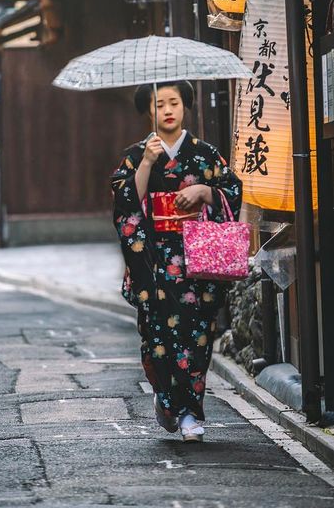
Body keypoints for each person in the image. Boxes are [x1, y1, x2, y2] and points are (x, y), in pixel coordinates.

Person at [111, 81, 242, 442]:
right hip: (153, 260)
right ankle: (168, 401)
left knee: (196, 337)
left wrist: (205, 192)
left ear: (186, 106)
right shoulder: (137, 154)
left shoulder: (205, 155)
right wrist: (148, 163)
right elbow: (125, 207)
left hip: (197, 257)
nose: (168, 110)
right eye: (159, 104)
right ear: (148, 112)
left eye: (174, 102)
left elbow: (232, 192)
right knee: (158, 338)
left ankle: (190, 414)